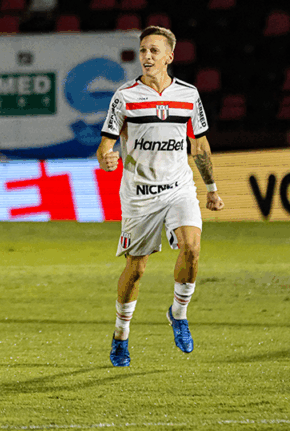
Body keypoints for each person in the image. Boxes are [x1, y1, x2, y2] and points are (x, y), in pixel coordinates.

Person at [96, 26, 225, 367]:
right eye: (143, 51)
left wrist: (211, 189)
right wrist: (107, 159)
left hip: (179, 187)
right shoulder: (124, 97)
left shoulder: (188, 95)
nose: (147, 57)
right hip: (140, 195)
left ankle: (178, 314)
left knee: (192, 248)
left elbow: (199, 145)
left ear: (170, 56)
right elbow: (105, 146)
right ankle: (121, 335)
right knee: (136, 270)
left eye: (154, 51)